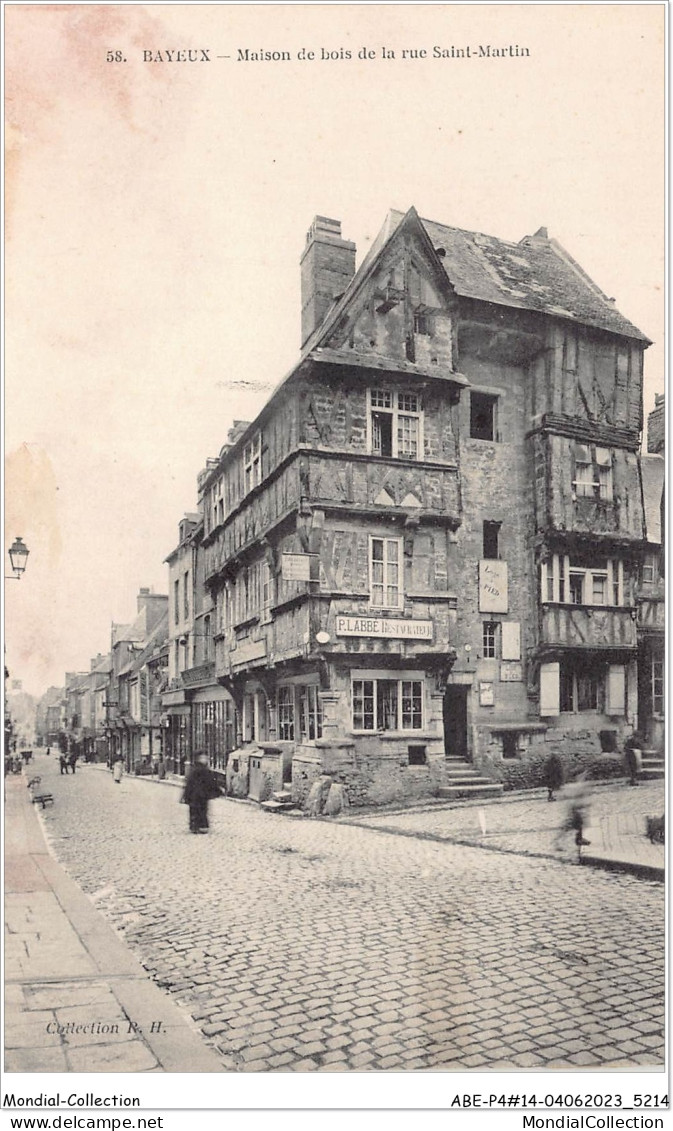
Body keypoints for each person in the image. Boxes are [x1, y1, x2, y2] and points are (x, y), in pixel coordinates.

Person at [181, 753, 222, 834]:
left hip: (195, 795)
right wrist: (217, 791)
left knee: (195, 810)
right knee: (202, 810)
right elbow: (211, 782)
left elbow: (189, 783)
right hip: (202, 795)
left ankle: (195, 826)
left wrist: (186, 795)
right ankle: (201, 826)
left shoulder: (194, 770)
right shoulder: (204, 770)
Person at [555, 773, 592, 853]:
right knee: (569, 826)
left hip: (575, 808)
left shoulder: (577, 786)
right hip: (574, 809)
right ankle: (557, 842)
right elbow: (573, 797)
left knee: (579, 825)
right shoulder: (575, 786)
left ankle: (578, 838)